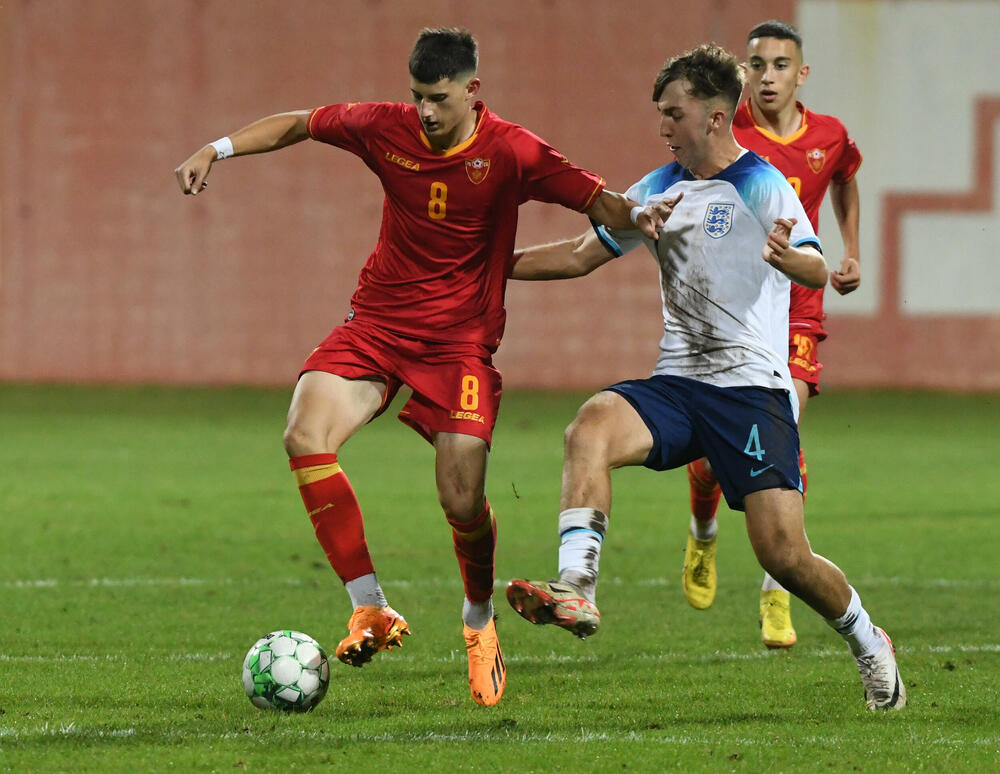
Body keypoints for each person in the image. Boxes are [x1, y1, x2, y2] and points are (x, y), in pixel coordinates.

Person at [174, 27, 668, 707]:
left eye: (439, 98)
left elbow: (596, 200)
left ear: (472, 91)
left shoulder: (514, 152)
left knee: (461, 495)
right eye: (418, 97)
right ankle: (370, 606)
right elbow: (299, 123)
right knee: (303, 434)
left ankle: (477, 620)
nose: (427, 111)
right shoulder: (386, 128)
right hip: (377, 323)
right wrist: (216, 148)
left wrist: (645, 216)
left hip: (460, 345)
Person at [504, 43, 905, 710]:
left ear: (716, 118)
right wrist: (487, 262)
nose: (662, 126)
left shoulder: (763, 185)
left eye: (673, 114)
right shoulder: (658, 186)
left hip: (750, 392)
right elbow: (579, 256)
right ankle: (577, 586)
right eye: (660, 114)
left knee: (784, 556)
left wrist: (789, 258)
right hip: (679, 386)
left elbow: (815, 266)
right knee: (590, 426)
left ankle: (867, 639)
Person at [681, 20, 863, 650]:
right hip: (735, 315)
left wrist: (851, 250)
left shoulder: (829, 137)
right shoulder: (727, 139)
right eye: (755, 65)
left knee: (782, 434)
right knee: (707, 459)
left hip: (798, 313)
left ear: (800, 74)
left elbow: (844, 177)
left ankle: (775, 589)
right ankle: (703, 535)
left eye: (779, 65)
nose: (766, 76)